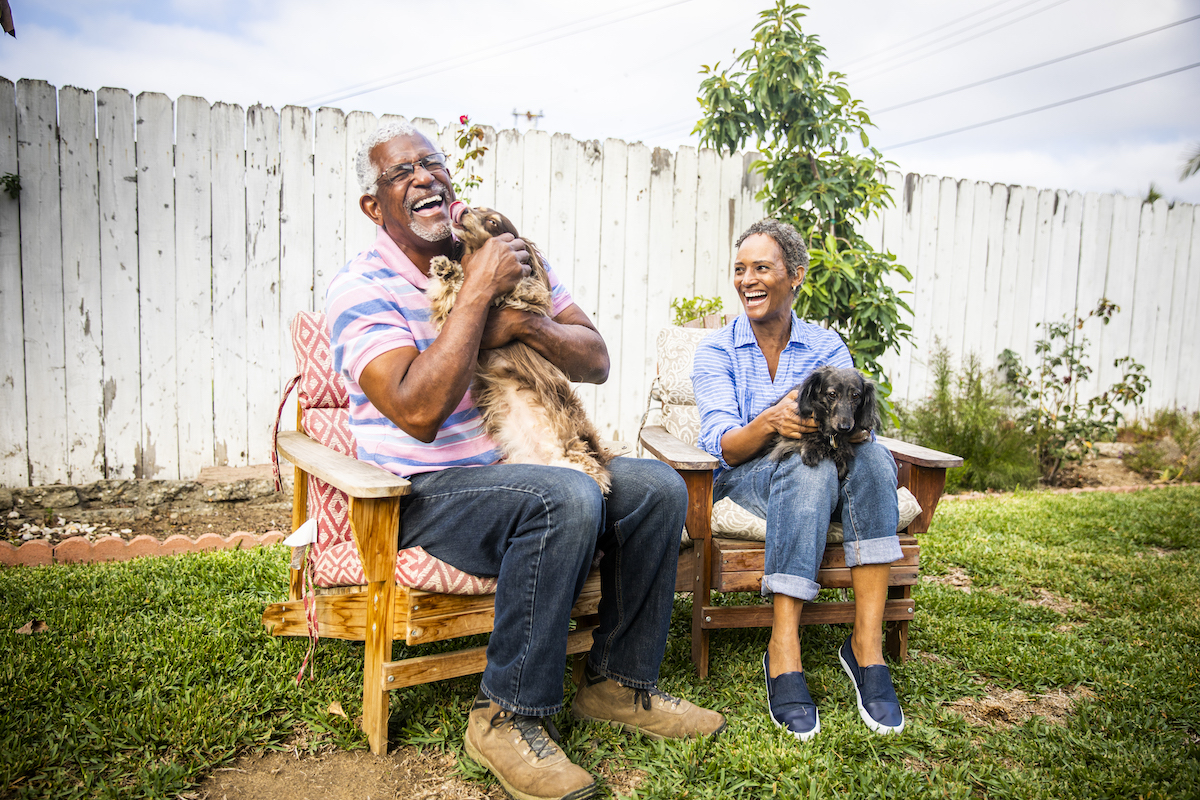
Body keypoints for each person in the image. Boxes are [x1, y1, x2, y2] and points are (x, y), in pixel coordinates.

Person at [326, 120, 724, 800]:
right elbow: (417, 412)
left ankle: (617, 687)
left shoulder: (503, 253)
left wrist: (525, 322)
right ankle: (505, 716)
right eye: (401, 173)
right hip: (426, 493)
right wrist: (478, 297)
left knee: (655, 487)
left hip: (533, 458)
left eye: (433, 163)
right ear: (374, 206)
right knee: (562, 496)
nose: (425, 178)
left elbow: (594, 358)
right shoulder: (360, 289)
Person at [690, 219, 905, 741]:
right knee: (807, 468)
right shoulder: (716, 351)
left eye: (762, 268)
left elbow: (856, 424)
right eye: (740, 269)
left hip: (832, 470)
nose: (748, 280)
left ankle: (866, 647)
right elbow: (722, 445)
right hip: (748, 478)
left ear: (796, 276)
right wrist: (770, 421)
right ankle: (783, 649)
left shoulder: (827, 348)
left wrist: (843, 426)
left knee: (875, 461)